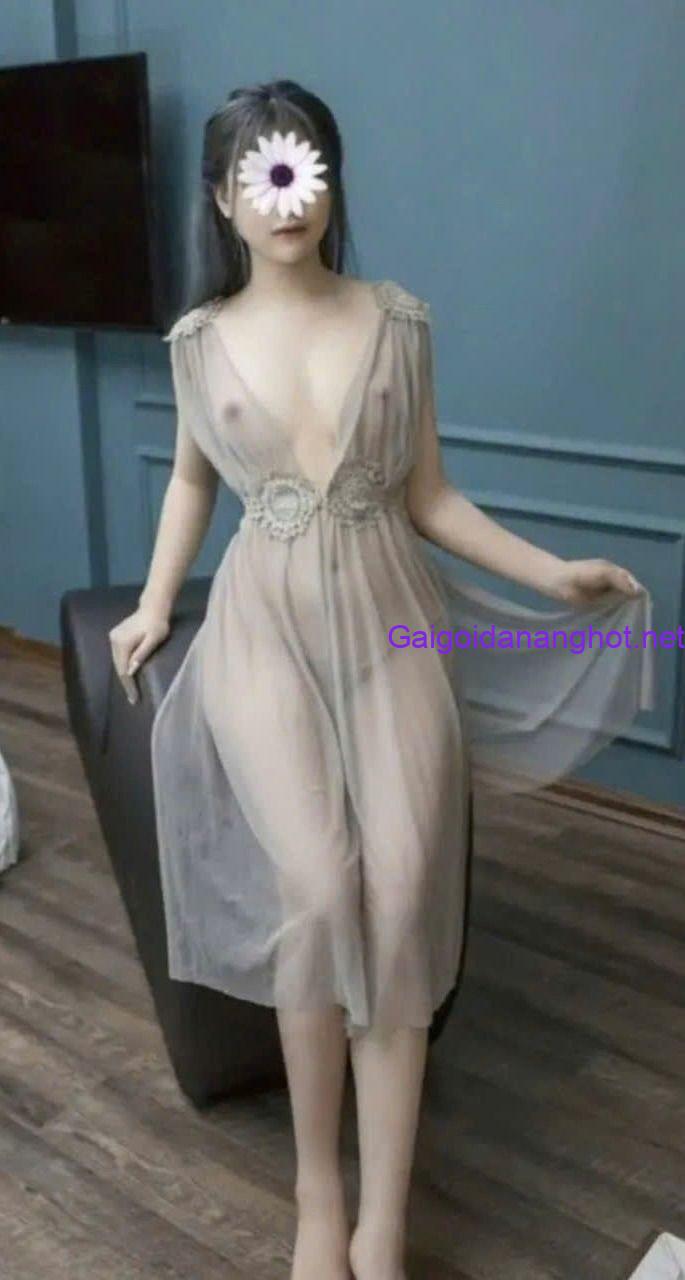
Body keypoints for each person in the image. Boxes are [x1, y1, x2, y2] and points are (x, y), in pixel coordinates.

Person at [109, 79, 653, 1280]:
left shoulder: (396, 320)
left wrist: (552, 571)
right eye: (256, 172)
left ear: (329, 178)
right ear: (223, 199)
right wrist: (153, 602)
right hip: (263, 635)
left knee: (399, 900)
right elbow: (192, 481)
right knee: (317, 889)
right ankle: (318, 1193)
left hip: (393, 631)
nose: (282, 193)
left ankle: (382, 1222)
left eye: (300, 164)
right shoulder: (199, 342)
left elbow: (430, 496)